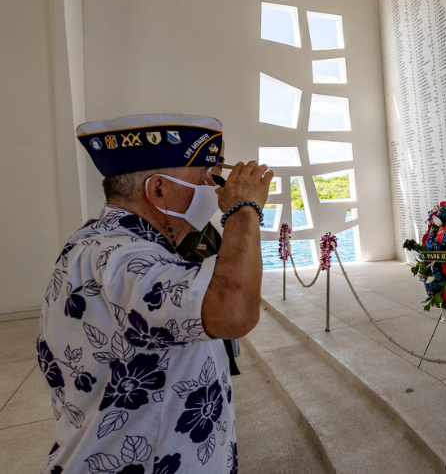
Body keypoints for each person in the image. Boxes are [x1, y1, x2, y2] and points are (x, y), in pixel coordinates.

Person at [38, 114, 273, 474]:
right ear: (159, 190)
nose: (217, 190)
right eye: (205, 178)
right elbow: (233, 311)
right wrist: (244, 210)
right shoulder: (122, 257)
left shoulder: (101, 243)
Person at [176, 140, 240, 376]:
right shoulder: (174, 230)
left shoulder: (204, 227)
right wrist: (243, 213)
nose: (217, 171)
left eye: (221, 163)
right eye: (210, 164)